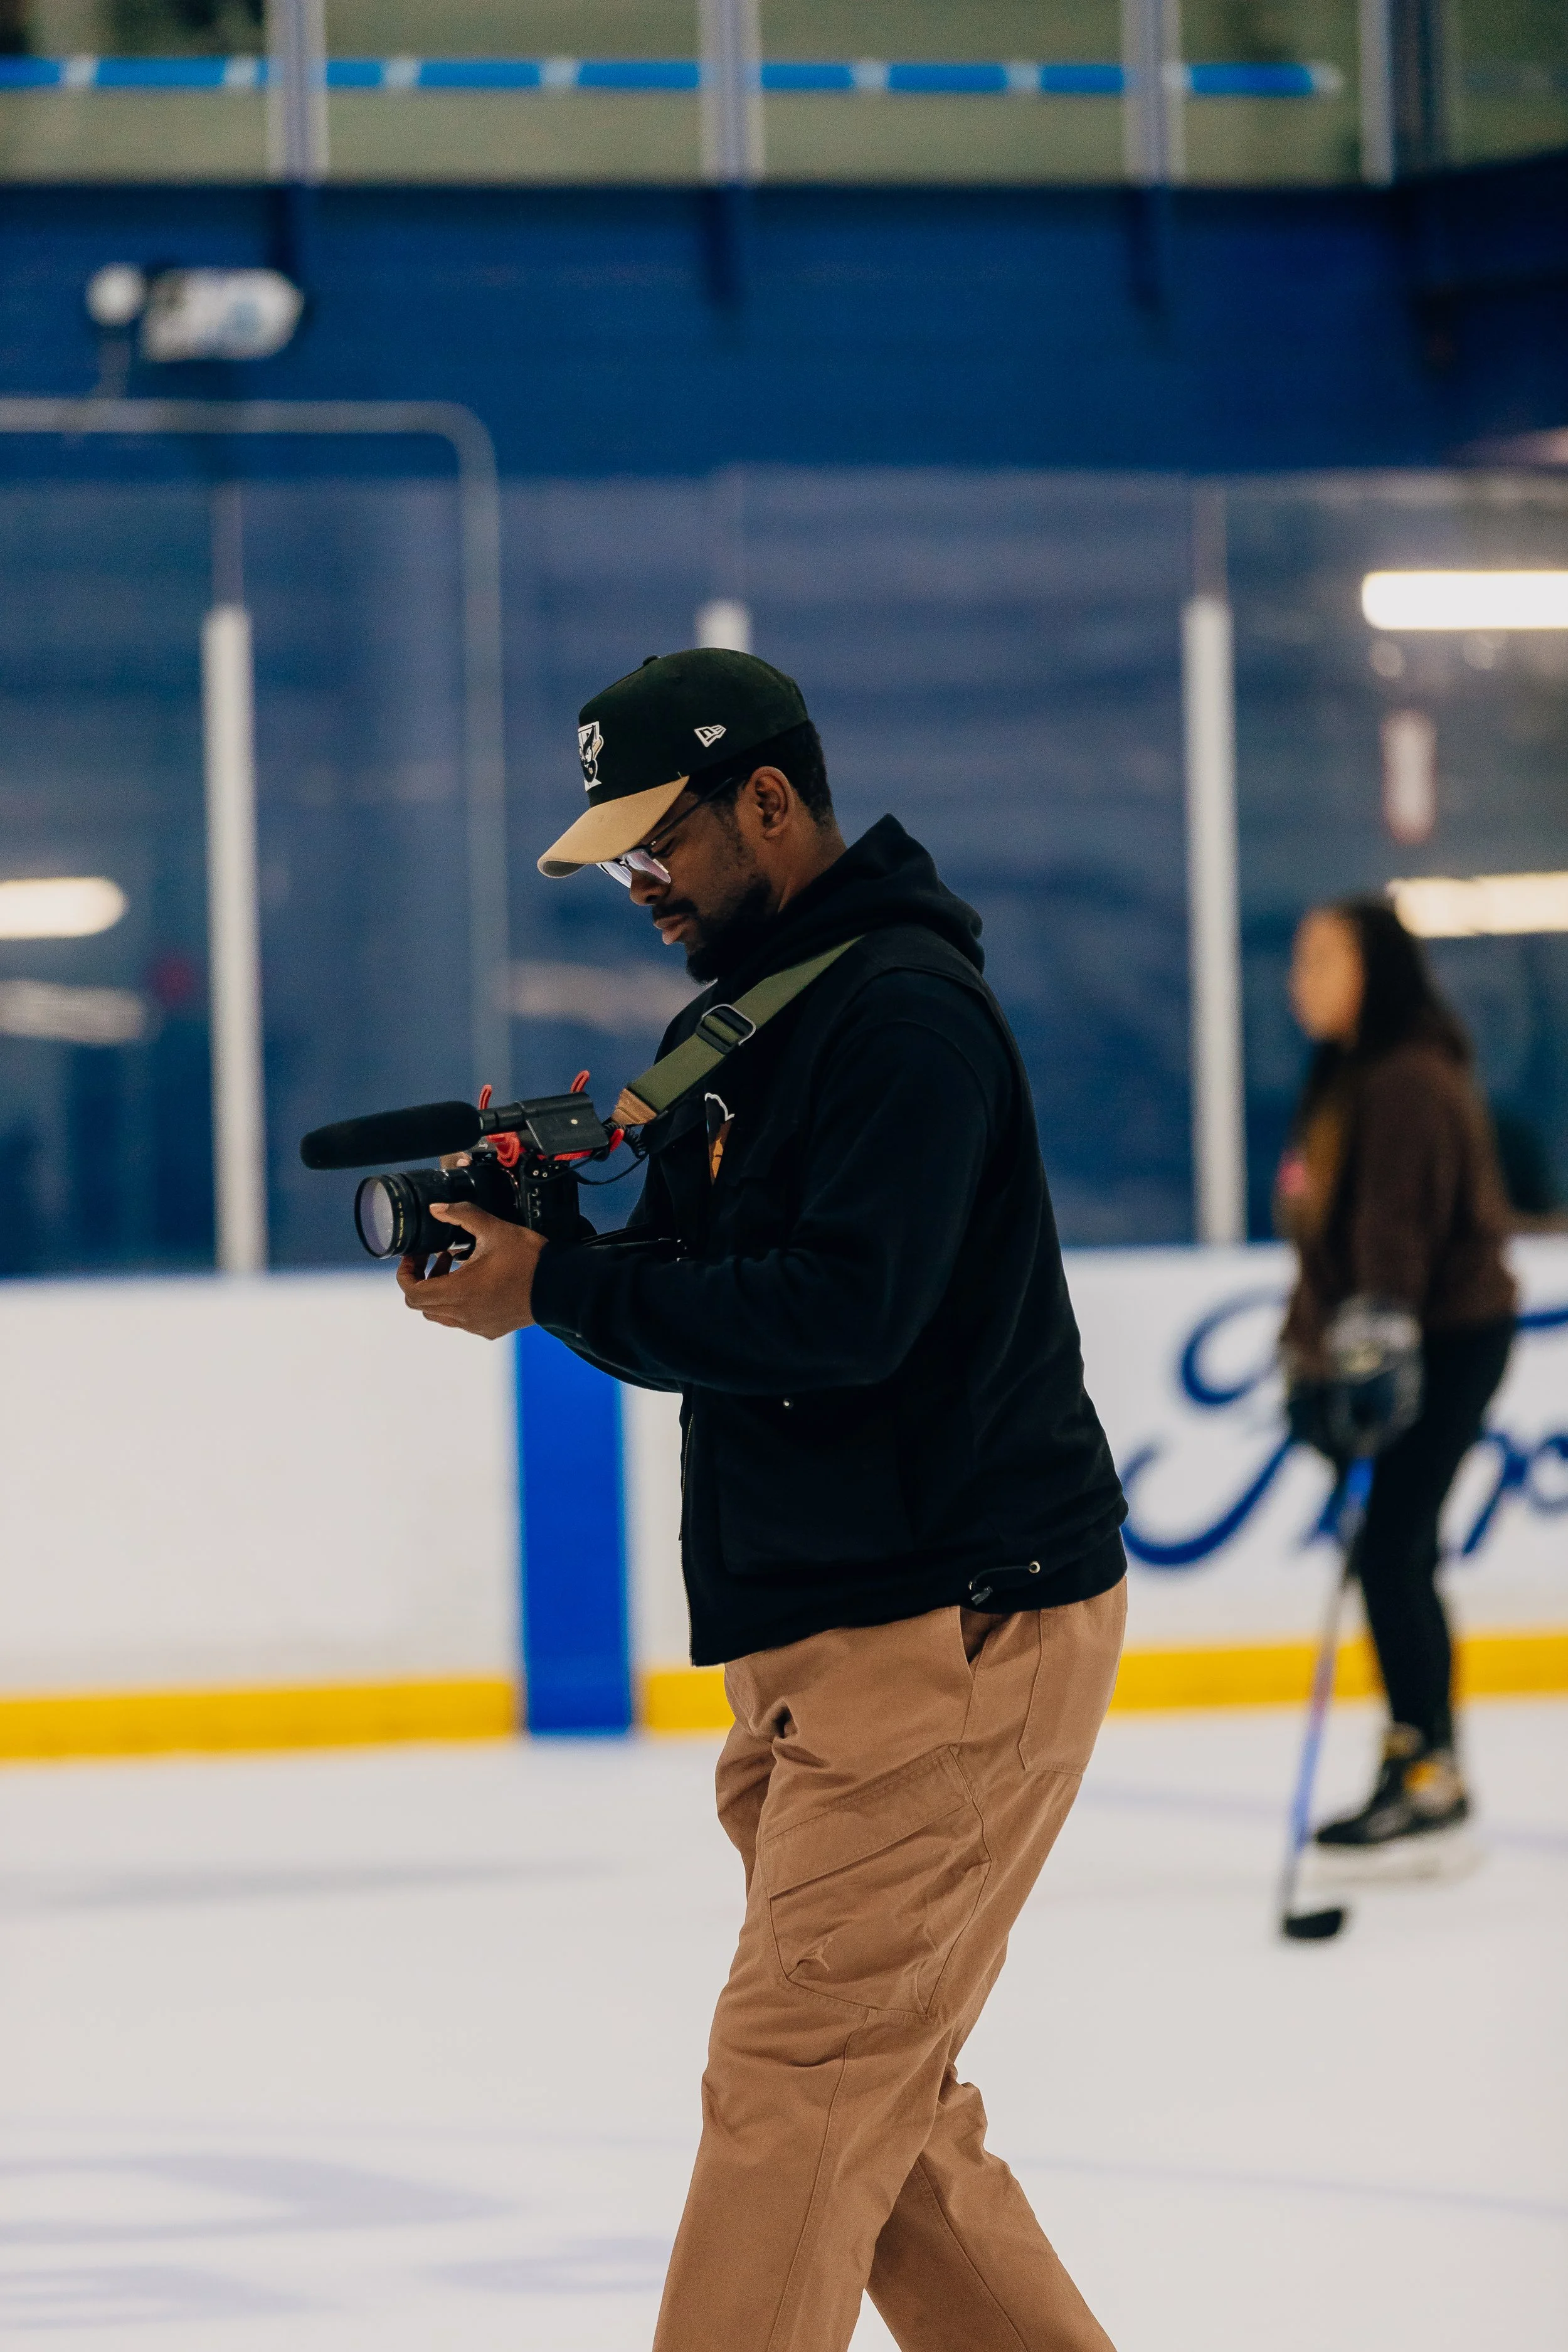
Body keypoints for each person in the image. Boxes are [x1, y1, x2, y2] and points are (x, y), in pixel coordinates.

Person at [401, 647, 1129, 2352]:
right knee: (884, 2117)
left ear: (772, 802)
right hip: (830, 1636)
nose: (637, 879)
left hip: (948, 1623)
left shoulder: (898, 1016)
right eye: (619, 850)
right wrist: (549, 1243)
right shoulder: (746, 1020)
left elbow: (842, 1314)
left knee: (797, 2082)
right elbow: (723, 1276)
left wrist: (560, 1294)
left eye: (660, 840)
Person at [1278, 896, 1517, 1864]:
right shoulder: (1348, 1074)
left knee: (1392, 1550)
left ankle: (1430, 1770)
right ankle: (1423, 1757)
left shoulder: (1406, 1080)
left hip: (1444, 1337)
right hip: (1411, 1339)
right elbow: (1325, 1238)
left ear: (1375, 967)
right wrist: (1312, 1356)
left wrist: (1374, 1357)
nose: (1304, 978)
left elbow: (1394, 1241)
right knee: (1394, 1551)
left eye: (1324, 956)